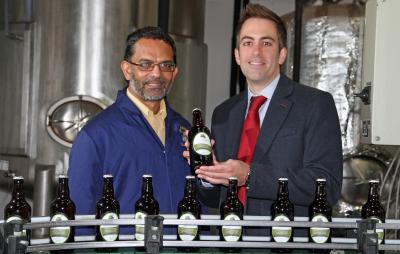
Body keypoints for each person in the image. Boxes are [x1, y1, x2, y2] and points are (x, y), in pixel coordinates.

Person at [193, 3, 343, 232]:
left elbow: (326, 186)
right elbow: (215, 199)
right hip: (229, 242)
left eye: (266, 43)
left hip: (286, 244)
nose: (256, 52)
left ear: (282, 54)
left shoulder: (314, 105)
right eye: (247, 42)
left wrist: (250, 175)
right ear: (237, 55)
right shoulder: (224, 113)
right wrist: (206, 172)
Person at [68, 27, 190, 235]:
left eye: (165, 65)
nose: (156, 73)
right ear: (127, 69)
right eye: (145, 64)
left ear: (175, 72)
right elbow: (80, 220)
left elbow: (203, 203)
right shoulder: (97, 135)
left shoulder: (186, 130)